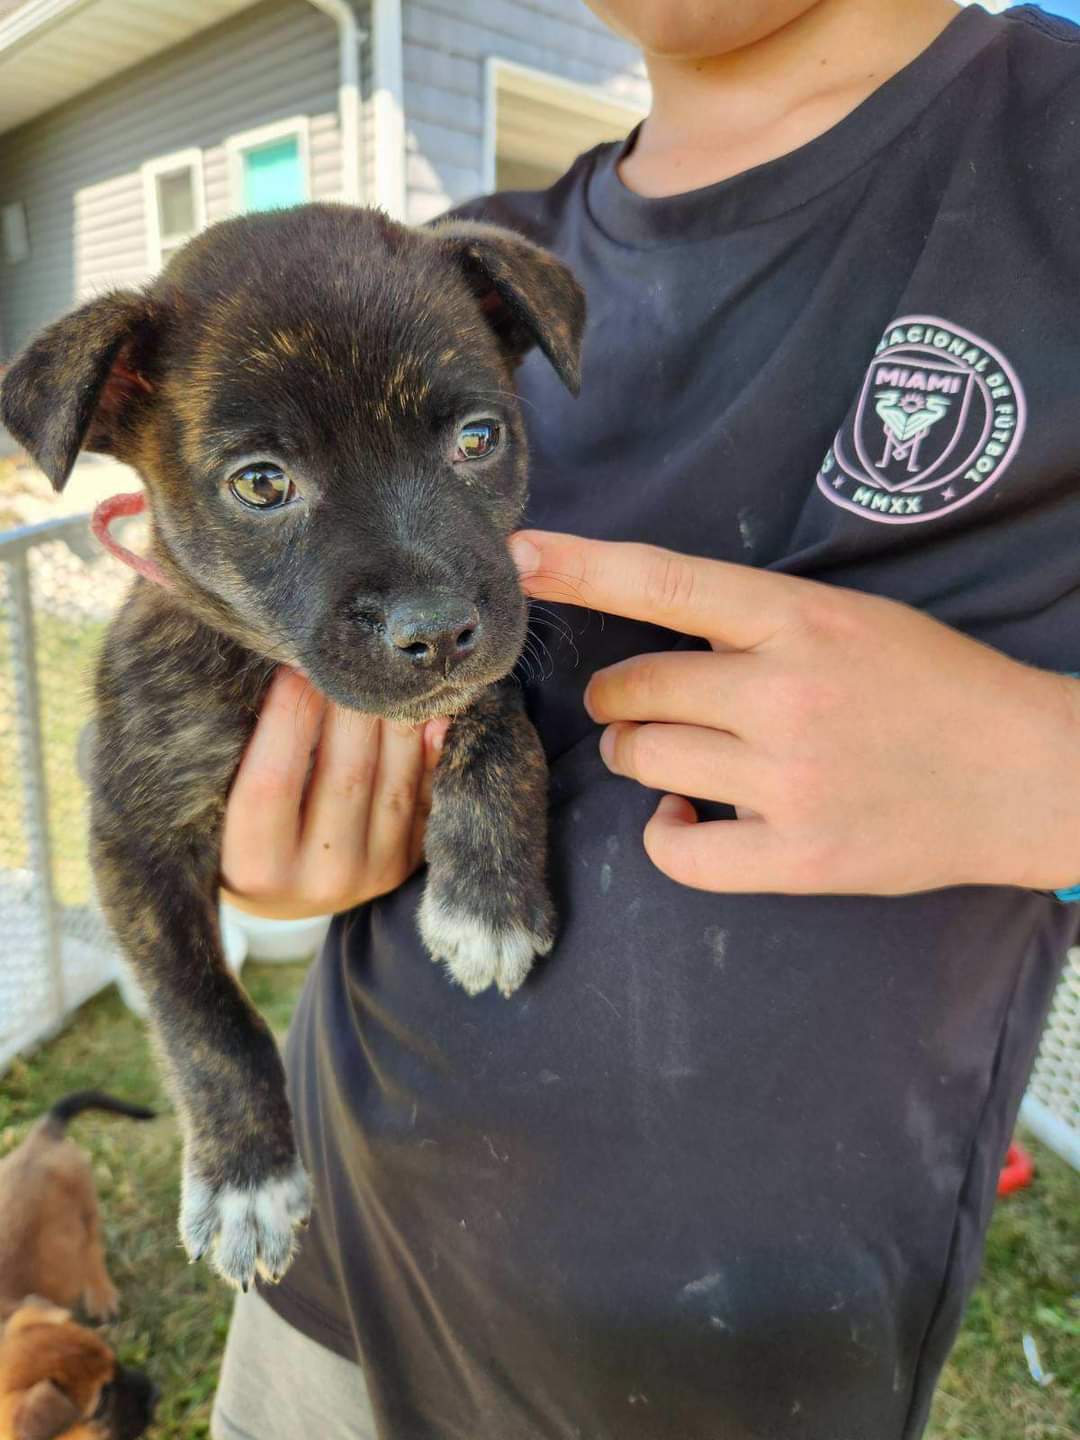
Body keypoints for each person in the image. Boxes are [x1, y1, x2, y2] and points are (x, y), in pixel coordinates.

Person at [209, 2, 1080, 1437]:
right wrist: (283, 827)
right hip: (329, 1265)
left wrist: (1044, 769)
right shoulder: (449, 269)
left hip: (718, 1377)